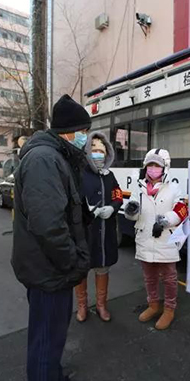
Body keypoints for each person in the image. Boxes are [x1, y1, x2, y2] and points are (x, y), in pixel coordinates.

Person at [11, 94, 91, 381]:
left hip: (50, 267)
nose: (85, 138)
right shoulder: (45, 159)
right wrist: (71, 261)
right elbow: (48, 225)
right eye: (83, 132)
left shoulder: (54, 156)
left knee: (53, 333)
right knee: (45, 338)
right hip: (49, 268)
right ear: (68, 132)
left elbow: (60, 210)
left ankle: (53, 376)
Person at [124, 149, 188, 330]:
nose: (153, 169)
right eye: (150, 165)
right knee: (149, 277)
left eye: (157, 165)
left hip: (165, 239)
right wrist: (131, 211)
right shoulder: (139, 187)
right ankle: (153, 305)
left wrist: (165, 221)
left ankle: (169, 309)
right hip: (144, 238)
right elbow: (132, 211)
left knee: (169, 277)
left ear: (164, 168)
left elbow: (182, 209)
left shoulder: (173, 187)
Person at [75, 131, 123, 322]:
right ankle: (82, 306)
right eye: (94, 150)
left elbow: (118, 195)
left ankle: (101, 305)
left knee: (102, 268)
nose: (98, 154)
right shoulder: (79, 173)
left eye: (101, 151)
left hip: (105, 232)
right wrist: (86, 212)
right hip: (84, 232)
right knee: (81, 270)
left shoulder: (109, 176)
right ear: (87, 151)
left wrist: (112, 208)